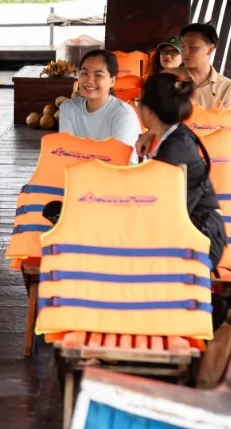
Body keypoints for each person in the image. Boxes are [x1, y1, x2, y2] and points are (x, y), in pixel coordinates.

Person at [138, 73, 227, 330]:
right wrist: (149, 133)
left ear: (148, 110)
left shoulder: (172, 150)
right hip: (199, 229)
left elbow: (165, 211)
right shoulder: (174, 134)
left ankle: (207, 309)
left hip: (201, 238)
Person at [137, 23, 231, 157]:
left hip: (215, 154)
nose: (185, 52)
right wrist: (151, 133)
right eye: (183, 46)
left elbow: (226, 128)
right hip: (174, 149)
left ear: (210, 49)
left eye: (192, 47)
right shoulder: (167, 77)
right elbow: (155, 117)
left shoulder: (227, 87)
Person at [58, 49, 142, 163]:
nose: (89, 80)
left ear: (112, 81)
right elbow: (64, 153)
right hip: (81, 171)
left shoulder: (123, 115)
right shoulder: (68, 108)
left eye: (98, 75)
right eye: (84, 73)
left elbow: (116, 161)